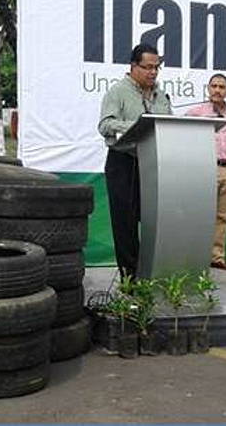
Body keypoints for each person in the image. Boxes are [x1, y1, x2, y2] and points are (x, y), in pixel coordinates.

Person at [97, 44, 172, 278]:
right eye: (147, 67)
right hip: (124, 162)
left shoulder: (161, 95)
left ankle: (153, 272)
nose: (153, 72)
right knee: (125, 224)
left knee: (154, 220)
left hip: (152, 164)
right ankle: (131, 278)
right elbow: (105, 125)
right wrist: (138, 128)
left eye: (156, 68)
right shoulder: (118, 92)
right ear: (133, 66)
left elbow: (167, 125)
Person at [186, 74, 226, 271]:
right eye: (214, 86)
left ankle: (217, 257)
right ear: (208, 88)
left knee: (223, 216)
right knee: (201, 215)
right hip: (204, 169)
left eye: (222, 87)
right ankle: (194, 257)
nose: (217, 90)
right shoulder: (195, 112)